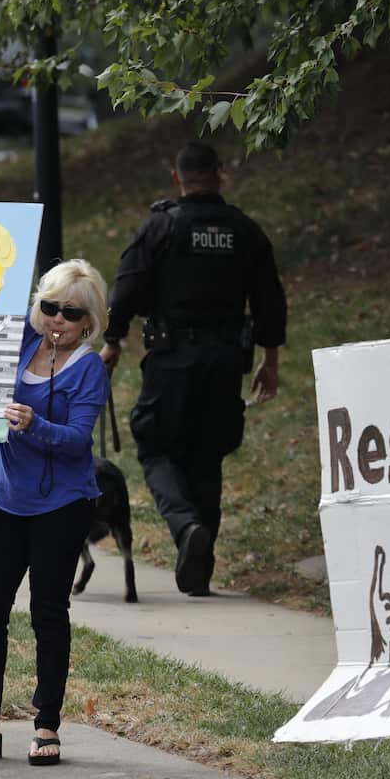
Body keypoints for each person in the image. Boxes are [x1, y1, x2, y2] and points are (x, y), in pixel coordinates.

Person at [0, 187, 110, 768]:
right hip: (6, 500)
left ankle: (47, 724)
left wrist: (34, 424)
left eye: (73, 312)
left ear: (91, 321)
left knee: (48, 614)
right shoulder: (15, 343)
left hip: (63, 505)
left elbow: (78, 441)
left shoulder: (89, 370)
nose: (58, 319)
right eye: (51, 307)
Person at [101, 141, 287, 596]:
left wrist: (112, 343)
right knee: (207, 456)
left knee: (154, 444)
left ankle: (186, 528)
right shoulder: (244, 231)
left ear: (176, 177)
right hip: (226, 363)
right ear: (220, 173)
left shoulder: (161, 227)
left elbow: (125, 289)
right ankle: (199, 572)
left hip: (171, 360)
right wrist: (271, 361)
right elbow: (269, 299)